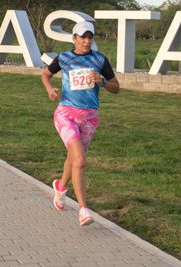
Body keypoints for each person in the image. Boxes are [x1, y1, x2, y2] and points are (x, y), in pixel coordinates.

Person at [41, 20, 120, 226]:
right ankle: (83, 209)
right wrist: (50, 90)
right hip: (66, 114)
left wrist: (102, 81)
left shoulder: (99, 59)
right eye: (83, 37)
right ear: (74, 38)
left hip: (90, 117)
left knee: (74, 158)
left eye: (90, 37)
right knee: (81, 160)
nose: (86, 41)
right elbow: (46, 74)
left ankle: (60, 186)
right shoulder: (64, 58)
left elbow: (116, 87)